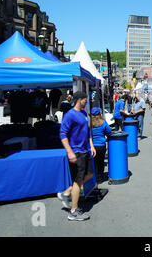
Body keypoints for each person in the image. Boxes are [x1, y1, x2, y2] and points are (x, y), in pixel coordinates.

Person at [57, 92, 97, 221]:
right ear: (79, 100)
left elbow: (88, 131)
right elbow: (63, 134)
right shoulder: (70, 115)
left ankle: (68, 191)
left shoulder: (84, 113)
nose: (87, 102)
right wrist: (69, 152)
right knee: (78, 181)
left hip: (85, 150)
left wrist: (91, 145)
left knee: (89, 174)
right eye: (85, 100)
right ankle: (73, 211)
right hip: (76, 151)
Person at [90, 107, 112, 184]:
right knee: (101, 162)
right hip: (101, 145)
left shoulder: (89, 124)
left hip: (92, 146)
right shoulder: (103, 123)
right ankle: (100, 178)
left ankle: (94, 178)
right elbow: (109, 131)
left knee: (94, 163)